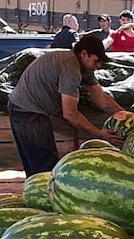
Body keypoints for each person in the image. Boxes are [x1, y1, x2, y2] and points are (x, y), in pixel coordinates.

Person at [7, 36, 125, 176]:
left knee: (37, 166)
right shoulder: (70, 67)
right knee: (45, 168)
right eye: (96, 60)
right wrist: (99, 133)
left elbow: (101, 99)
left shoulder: (82, 68)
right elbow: (70, 113)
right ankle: (44, 195)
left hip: (23, 108)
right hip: (28, 112)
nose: (98, 65)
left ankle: (38, 191)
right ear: (84, 54)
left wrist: (128, 116)